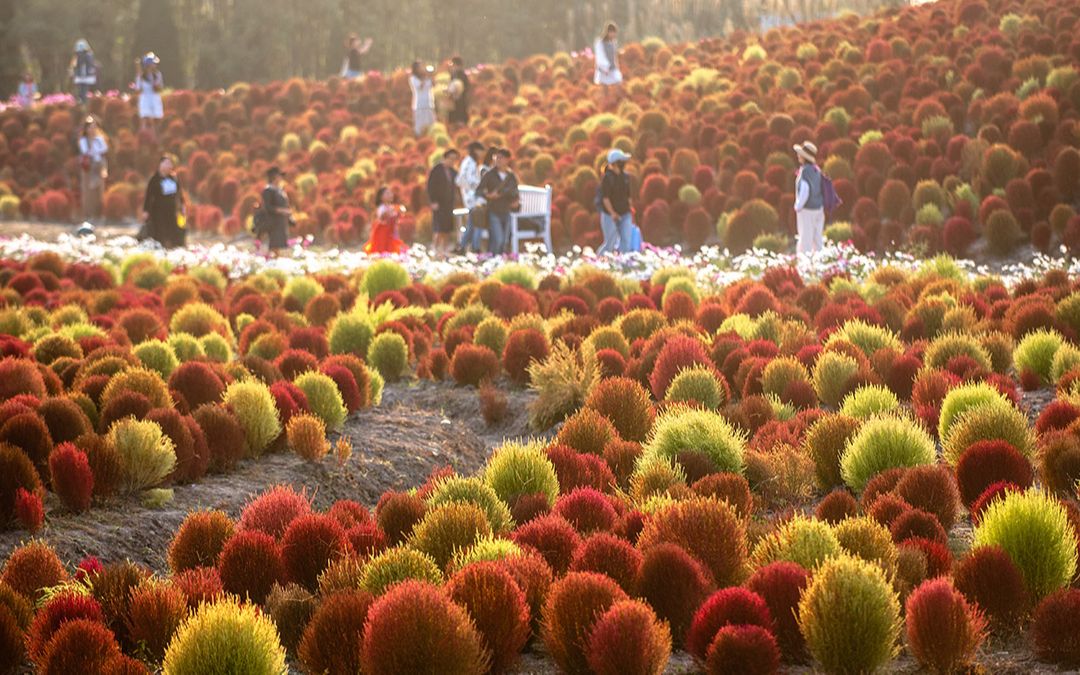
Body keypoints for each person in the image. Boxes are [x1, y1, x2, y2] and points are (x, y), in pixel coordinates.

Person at [475, 148, 519, 255]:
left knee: (504, 241)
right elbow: (479, 190)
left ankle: (498, 261)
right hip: (494, 211)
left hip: (507, 211)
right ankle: (494, 260)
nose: (497, 160)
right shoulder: (489, 174)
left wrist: (513, 199)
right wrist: (488, 195)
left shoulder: (511, 176)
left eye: (501, 158)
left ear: (507, 160)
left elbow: (515, 191)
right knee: (498, 239)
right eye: (496, 157)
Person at [141, 154, 187, 248]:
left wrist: (182, 206)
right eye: (166, 163)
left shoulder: (174, 178)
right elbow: (149, 196)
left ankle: (173, 248)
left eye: (170, 164)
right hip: (158, 212)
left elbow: (180, 194)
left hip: (171, 211)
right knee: (159, 233)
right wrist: (145, 211)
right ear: (160, 164)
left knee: (173, 231)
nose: (168, 166)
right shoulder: (154, 179)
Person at [598, 149, 635, 254]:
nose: (624, 163)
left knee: (626, 242)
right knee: (610, 243)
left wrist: (630, 209)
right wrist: (613, 213)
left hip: (625, 214)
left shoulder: (625, 177)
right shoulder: (607, 178)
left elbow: (628, 196)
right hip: (609, 215)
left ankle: (624, 265)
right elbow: (605, 198)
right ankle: (597, 262)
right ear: (615, 164)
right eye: (621, 161)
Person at [793, 141, 825, 254]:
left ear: (804, 157)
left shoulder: (805, 171)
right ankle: (821, 263)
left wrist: (798, 206)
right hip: (818, 208)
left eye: (799, 154)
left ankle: (804, 266)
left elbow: (805, 190)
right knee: (817, 238)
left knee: (805, 239)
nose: (798, 155)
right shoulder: (816, 170)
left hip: (807, 210)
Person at [455, 141, 486, 253]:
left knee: (472, 223)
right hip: (472, 198)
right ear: (476, 150)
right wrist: (481, 185)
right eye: (481, 151)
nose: (482, 154)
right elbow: (465, 180)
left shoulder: (469, 162)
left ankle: (462, 247)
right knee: (477, 221)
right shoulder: (470, 163)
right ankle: (475, 247)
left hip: (470, 197)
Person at [427, 148, 460, 255]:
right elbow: (430, 186)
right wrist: (433, 201)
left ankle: (445, 250)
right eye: (450, 158)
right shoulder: (436, 170)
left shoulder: (453, 172)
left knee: (447, 228)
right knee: (438, 227)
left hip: (449, 204)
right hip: (438, 203)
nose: (452, 161)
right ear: (445, 158)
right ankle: (435, 249)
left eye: (454, 159)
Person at [77, 116, 108, 223]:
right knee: (88, 191)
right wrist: (95, 149)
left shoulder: (100, 139)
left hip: (99, 166)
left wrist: (96, 145)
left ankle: (98, 214)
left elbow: (104, 149)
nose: (92, 130)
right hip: (88, 167)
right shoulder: (83, 140)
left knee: (99, 190)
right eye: (90, 127)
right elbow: (86, 152)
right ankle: (88, 215)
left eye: (94, 127)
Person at [258, 166, 292, 255]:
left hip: (281, 222)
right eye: (279, 176)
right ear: (274, 177)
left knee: (280, 247)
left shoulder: (279, 190)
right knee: (273, 246)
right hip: (272, 223)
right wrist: (282, 211)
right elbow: (268, 207)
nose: (281, 178)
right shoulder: (268, 191)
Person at [364, 186, 407, 254]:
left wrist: (399, 210)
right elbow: (384, 216)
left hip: (392, 232)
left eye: (390, 193)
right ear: (381, 197)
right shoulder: (382, 208)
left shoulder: (392, 207)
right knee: (384, 249)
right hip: (384, 234)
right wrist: (395, 210)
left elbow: (400, 212)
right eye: (387, 193)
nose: (390, 195)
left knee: (395, 248)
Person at [134, 53, 164, 140]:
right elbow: (138, 89)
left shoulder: (157, 75)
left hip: (155, 99)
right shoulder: (141, 76)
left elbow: (160, 88)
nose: (155, 65)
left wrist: (155, 85)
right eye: (153, 63)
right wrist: (141, 78)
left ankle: (157, 138)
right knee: (145, 120)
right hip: (145, 100)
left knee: (157, 121)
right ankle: (143, 137)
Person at [409, 61, 436, 137]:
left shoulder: (427, 78)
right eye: (420, 67)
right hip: (419, 105)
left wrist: (431, 75)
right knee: (420, 125)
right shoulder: (413, 78)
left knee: (431, 124)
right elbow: (420, 86)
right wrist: (426, 77)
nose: (422, 69)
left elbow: (433, 84)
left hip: (429, 104)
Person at [594, 23, 623, 90]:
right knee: (605, 88)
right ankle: (605, 100)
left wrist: (617, 66)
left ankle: (617, 99)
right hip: (604, 69)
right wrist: (604, 67)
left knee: (618, 81)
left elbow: (614, 56)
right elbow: (599, 55)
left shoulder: (613, 42)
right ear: (607, 32)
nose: (613, 34)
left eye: (614, 32)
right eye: (612, 32)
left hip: (613, 68)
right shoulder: (600, 42)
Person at [70, 39, 98, 104]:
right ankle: (82, 101)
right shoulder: (89, 55)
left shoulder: (78, 56)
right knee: (84, 90)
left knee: (81, 90)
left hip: (80, 75)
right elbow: (91, 64)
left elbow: (75, 65)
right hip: (86, 75)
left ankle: (81, 101)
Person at [447, 55, 469, 126]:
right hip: (454, 100)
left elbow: (465, 87)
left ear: (456, 65)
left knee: (459, 118)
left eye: (452, 64)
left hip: (460, 100)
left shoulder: (462, 75)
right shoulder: (453, 75)